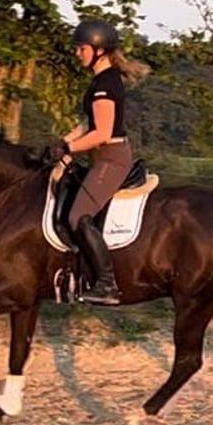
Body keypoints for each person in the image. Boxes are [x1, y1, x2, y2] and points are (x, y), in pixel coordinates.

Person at [47, 18, 150, 306]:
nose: (77, 53)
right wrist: (62, 144)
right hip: (102, 156)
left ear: (98, 50)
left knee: (78, 216)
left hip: (111, 159)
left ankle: (107, 284)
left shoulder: (105, 84)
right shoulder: (101, 81)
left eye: (81, 48)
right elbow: (88, 123)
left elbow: (102, 133)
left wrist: (69, 147)